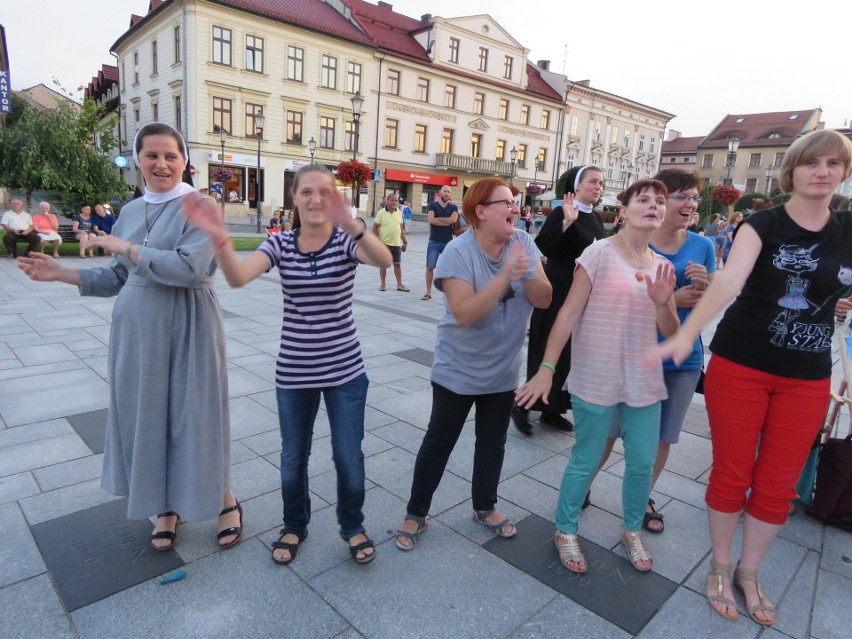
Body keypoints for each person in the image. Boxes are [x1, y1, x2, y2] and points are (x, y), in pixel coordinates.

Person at [654, 129, 852, 625]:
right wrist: (687, 334)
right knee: (733, 470)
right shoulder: (762, 223)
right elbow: (730, 281)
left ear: (844, 171)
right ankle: (720, 564)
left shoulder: (849, 229)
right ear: (792, 171)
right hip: (741, 366)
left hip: (806, 377)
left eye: (833, 163)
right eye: (811, 163)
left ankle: (750, 570)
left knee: (779, 481)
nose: (822, 171)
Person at [20, 123, 242, 553]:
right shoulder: (130, 211)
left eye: (171, 156)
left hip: (189, 324)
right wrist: (62, 273)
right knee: (148, 418)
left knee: (194, 416)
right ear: (138, 159)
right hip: (137, 332)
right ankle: (164, 507)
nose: (161, 164)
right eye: (152, 155)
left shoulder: (202, 207)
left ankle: (224, 499)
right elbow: (119, 277)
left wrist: (125, 248)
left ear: (184, 161)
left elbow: (189, 269)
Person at [182, 163, 392, 566]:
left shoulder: (345, 241)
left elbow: (382, 260)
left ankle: (353, 526)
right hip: (294, 371)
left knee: (349, 456)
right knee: (293, 456)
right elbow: (239, 277)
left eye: (324, 192)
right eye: (307, 192)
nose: (316, 199)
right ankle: (294, 524)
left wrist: (353, 226)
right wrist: (218, 235)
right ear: (294, 199)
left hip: (345, 371)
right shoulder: (280, 243)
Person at [516, 179, 678, 575]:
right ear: (623, 211)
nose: (653, 206)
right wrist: (546, 370)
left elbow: (673, 331)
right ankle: (565, 529)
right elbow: (567, 315)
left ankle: (631, 529)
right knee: (586, 459)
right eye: (644, 199)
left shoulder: (662, 267)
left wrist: (663, 305)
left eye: (660, 201)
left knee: (641, 462)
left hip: (643, 380)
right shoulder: (598, 253)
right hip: (597, 374)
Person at [395, 177, 552, 551]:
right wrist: (503, 278)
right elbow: (465, 313)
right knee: (439, 442)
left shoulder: (524, 243)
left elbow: (545, 300)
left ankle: (485, 506)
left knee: (492, 443)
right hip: (457, 371)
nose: (516, 209)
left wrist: (527, 271)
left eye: (516, 203)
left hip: (502, 371)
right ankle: (416, 513)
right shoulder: (457, 252)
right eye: (507, 203)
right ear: (481, 212)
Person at [593, 170, 715, 532]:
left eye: (694, 197)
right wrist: (670, 301)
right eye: (681, 196)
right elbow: (610, 305)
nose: (690, 204)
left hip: (681, 357)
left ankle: (642, 496)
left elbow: (703, 307)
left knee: (663, 436)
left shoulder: (703, 246)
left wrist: (704, 286)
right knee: (610, 430)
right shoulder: (629, 245)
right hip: (634, 354)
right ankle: (582, 482)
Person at [512, 165, 606, 435]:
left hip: (581, 290)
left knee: (568, 352)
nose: (598, 187)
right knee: (547, 348)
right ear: (577, 186)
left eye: (600, 182)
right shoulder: (561, 211)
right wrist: (565, 223)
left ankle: (552, 410)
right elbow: (541, 247)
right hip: (557, 286)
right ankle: (521, 403)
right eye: (592, 182)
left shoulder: (596, 217)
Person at [423, 185, 459, 300]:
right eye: (445, 191)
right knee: (430, 266)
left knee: (449, 267)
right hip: (434, 241)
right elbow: (430, 220)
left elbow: (453, 220)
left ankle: (447, 292)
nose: (446, 193)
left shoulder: (453, 207)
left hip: (448, 242)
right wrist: (446, 221)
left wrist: (437, 220)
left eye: (448, 192)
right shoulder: (432, 205)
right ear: (440, 192)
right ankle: (428, 292)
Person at [373, 192, 409, 291]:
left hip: (396, 244)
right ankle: (383, 285)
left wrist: (405, 242)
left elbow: (401, 229)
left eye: (396, 200)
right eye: (392, 200)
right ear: (387, 201)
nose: (394, 202)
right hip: (384, 244)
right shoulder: (381, 212)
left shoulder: (399, 213)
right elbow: (375, 227)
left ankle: (399, 285)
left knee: (397, 265)